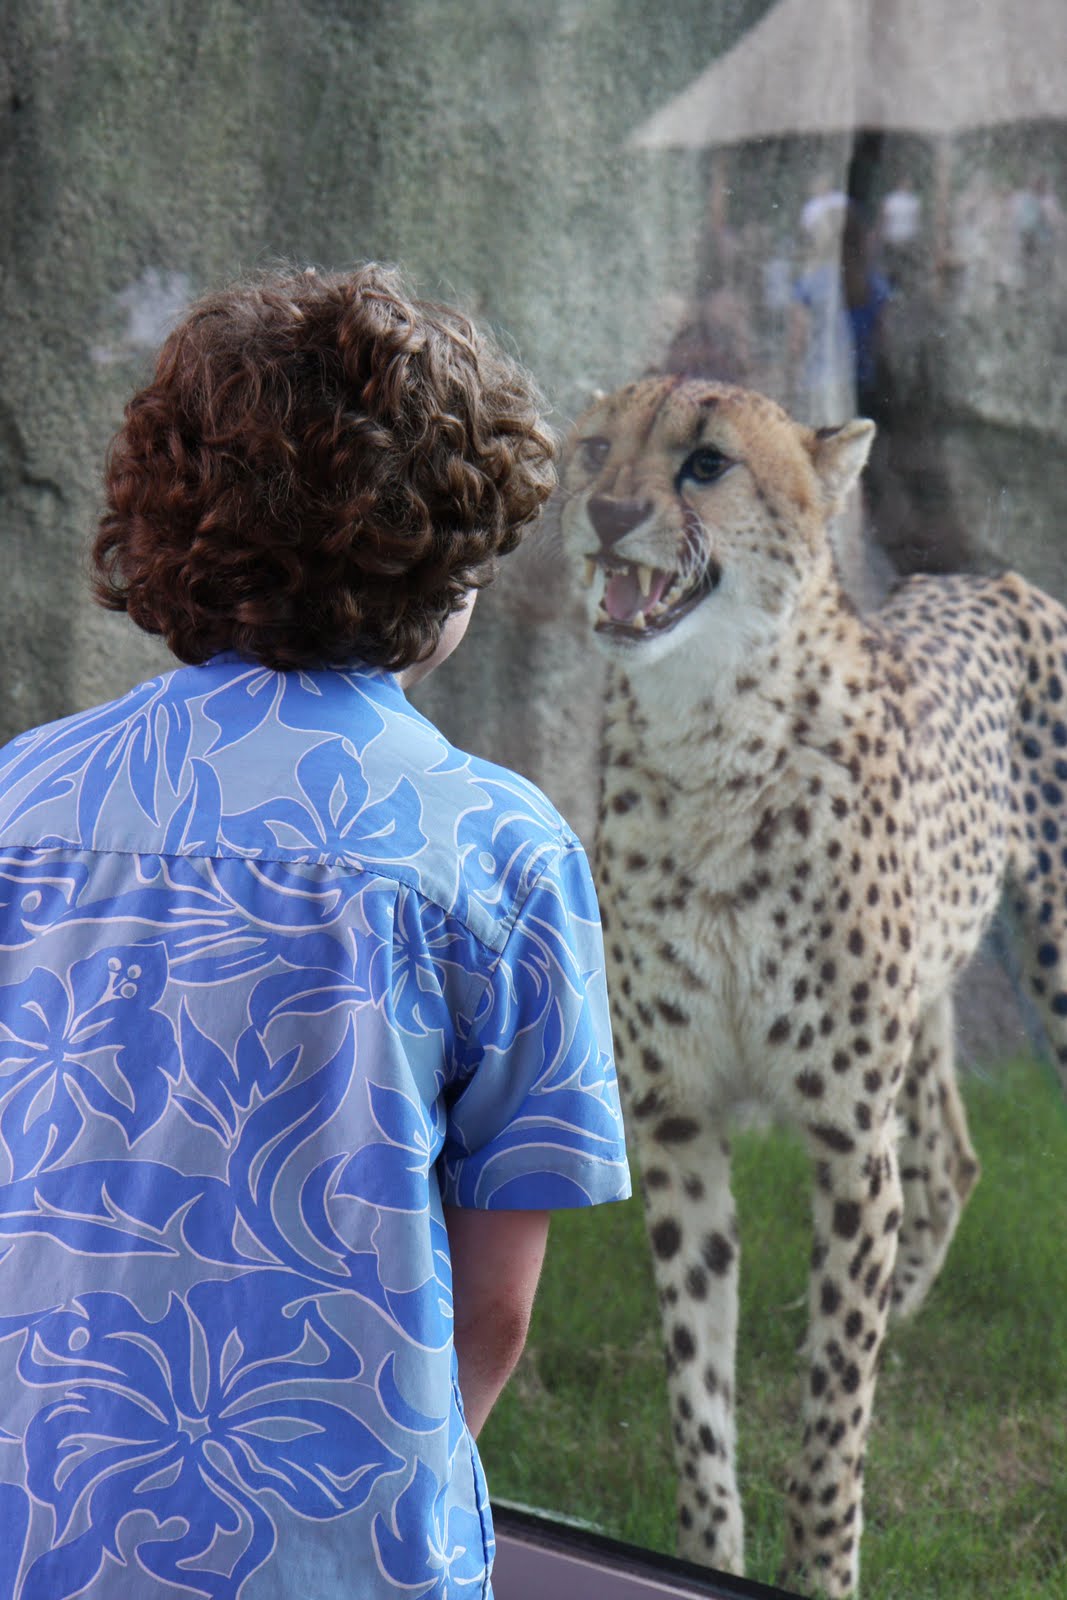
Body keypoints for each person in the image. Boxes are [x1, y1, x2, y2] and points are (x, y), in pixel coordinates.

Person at [0, 265, 631, 1599]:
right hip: (341, 1553)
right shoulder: (500, 852)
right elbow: (498, 1302)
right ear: (450, 558)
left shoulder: (19, 802)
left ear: (171, 525)